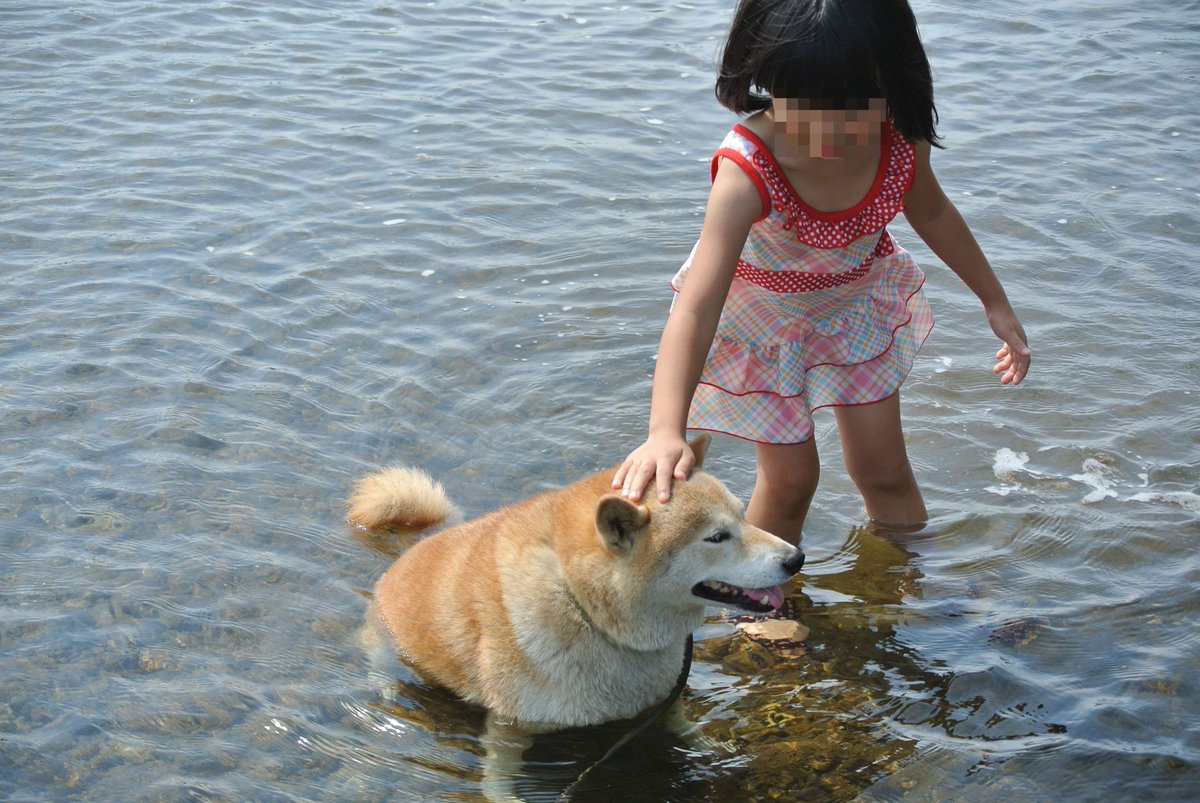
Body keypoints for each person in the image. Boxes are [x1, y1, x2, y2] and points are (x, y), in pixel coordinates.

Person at [612, 0, 1030, 544]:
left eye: (852, 107)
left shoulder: (900, 139)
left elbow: (932, 212)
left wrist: (994, 301)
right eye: (803, 106)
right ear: (764, 77)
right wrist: (665, 431)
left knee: (887, 471)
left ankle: (904, 580)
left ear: (892, 81)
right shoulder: (748, 170)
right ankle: (761, 606)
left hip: (853, 312)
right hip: (762, 329)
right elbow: (697, 305)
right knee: (792, 482)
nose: (826, 129)